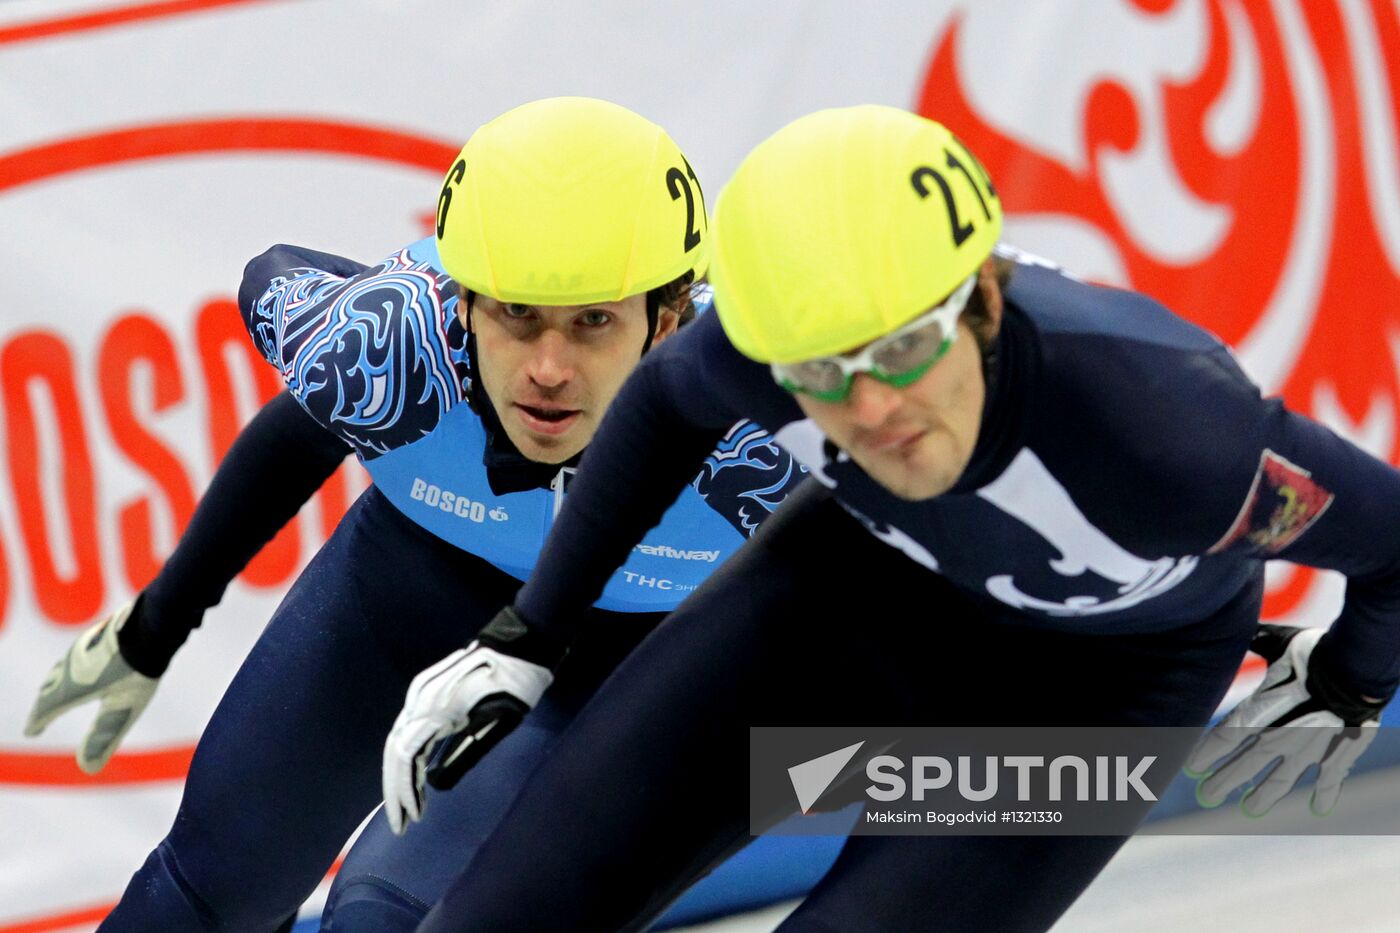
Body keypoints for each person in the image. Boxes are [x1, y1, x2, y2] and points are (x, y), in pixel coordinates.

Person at [385, 105, 1400, 933]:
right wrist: (529, 634)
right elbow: (658, 403)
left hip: (1104, 691)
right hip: (860, 589)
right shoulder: (757, 349)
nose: (871, 408)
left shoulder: (1168, 438)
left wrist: (1355, 677)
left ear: (983, 307)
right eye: (824, 374)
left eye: (904, 351)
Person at [25, 96, 802, 932]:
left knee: (385, 919)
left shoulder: (761, 429)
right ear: (459, 302)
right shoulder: (391, 340)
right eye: (516, 313)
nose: (547, 367)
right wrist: (155, 624)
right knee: (204, 898)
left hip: (617, 664)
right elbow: (300, 422)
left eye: (592, 323)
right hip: (412, 589)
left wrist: (926, 788)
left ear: (671, 318)